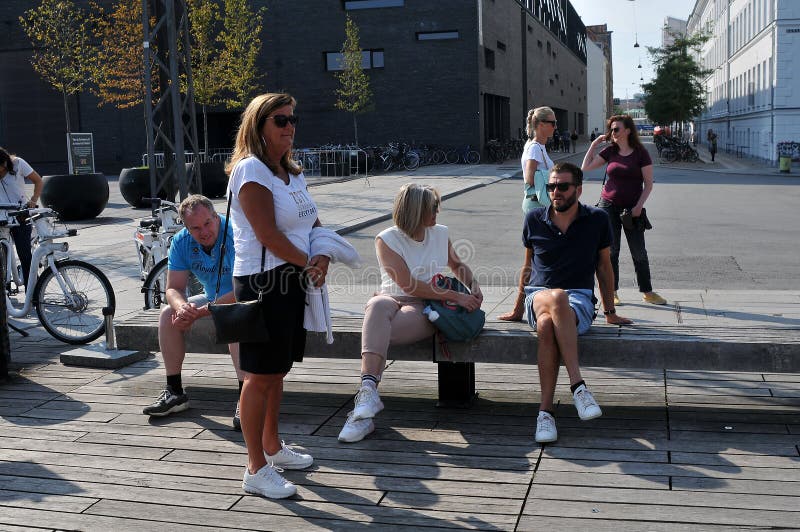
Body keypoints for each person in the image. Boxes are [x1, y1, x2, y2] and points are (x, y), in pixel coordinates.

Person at [227, 92, 325, 499]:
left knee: (278, 370)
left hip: (291, 279)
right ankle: (255, 468)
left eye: (292, 119)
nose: (289, 126)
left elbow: (314, 221)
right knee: (259, 374)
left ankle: (271, 447)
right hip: (263, 281)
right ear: (259, 126)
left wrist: (321, 256)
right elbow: (267, 234)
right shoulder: (252, 170)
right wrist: (309, 263)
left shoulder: (292, 172)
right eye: (280, 120)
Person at [338, 183, 483, 444]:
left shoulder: (439, 233)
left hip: (426, 305)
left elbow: (457, 265)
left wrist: (472, 286)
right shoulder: (387, 239)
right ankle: (367, 394)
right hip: (391, 298)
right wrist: (456, 295)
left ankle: (363, 410)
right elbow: (407, 284)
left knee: (377, 330)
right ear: (415, 211)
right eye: (432, 208)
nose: (437, 212)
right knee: (378, 305)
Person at [517, 162, 632, 443]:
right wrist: (517, 308)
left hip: (579, 299)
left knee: (546, 326)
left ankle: (545, 414)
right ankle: (578, 387)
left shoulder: (597, 219)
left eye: (562, 186)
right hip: (538, 295)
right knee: (555, 296)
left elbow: (604, 267)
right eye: (551, 186)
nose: (555, 191)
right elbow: (528, 267)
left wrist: (610, 311)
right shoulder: (534, 218)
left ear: (578, 190)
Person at [142, 195, 243, 428]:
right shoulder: (181, 241)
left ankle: (245, 396)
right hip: (212, 300)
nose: (203, 231)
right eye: (195, 228)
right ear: (185, 227)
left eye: (207, 223)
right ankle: (175, 391)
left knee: (234, 318)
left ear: (216, 217)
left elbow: (243, 291)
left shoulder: (236, 234)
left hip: (246, 301)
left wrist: (200, 312)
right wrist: (183, 307)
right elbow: (173, 288)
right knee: (168, 314)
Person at [581, 115, 667, 306]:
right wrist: (595, 143)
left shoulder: (640, 153)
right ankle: (612, 292)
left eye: (616, 129)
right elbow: (585, 167)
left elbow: (649, 185)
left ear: (628, 130)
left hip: (632, 209)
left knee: (639, 252)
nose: (613, 133)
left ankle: (647, 292)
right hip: (608, 205)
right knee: (611, 252)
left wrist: (638, 207)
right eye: (611, 129)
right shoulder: (610, 151)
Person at [499, 107, 555, 321]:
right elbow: (530, 180)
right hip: (538, 207)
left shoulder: (539, 147)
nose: (555, 127)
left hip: (541, 206)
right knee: (531, 258)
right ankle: (518, 308)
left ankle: (525, 306)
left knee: (537, 257)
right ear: (540, 125)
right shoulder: (534, 148)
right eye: (552, 123)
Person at [0, 147, 43, 288]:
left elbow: (38, 180)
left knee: (25, 255)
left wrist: (33, 200)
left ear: (6, 162)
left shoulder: (18, 163)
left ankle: (33, 292)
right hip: (1, 218)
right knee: (2, 257)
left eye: (1, 167)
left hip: (20, 215)